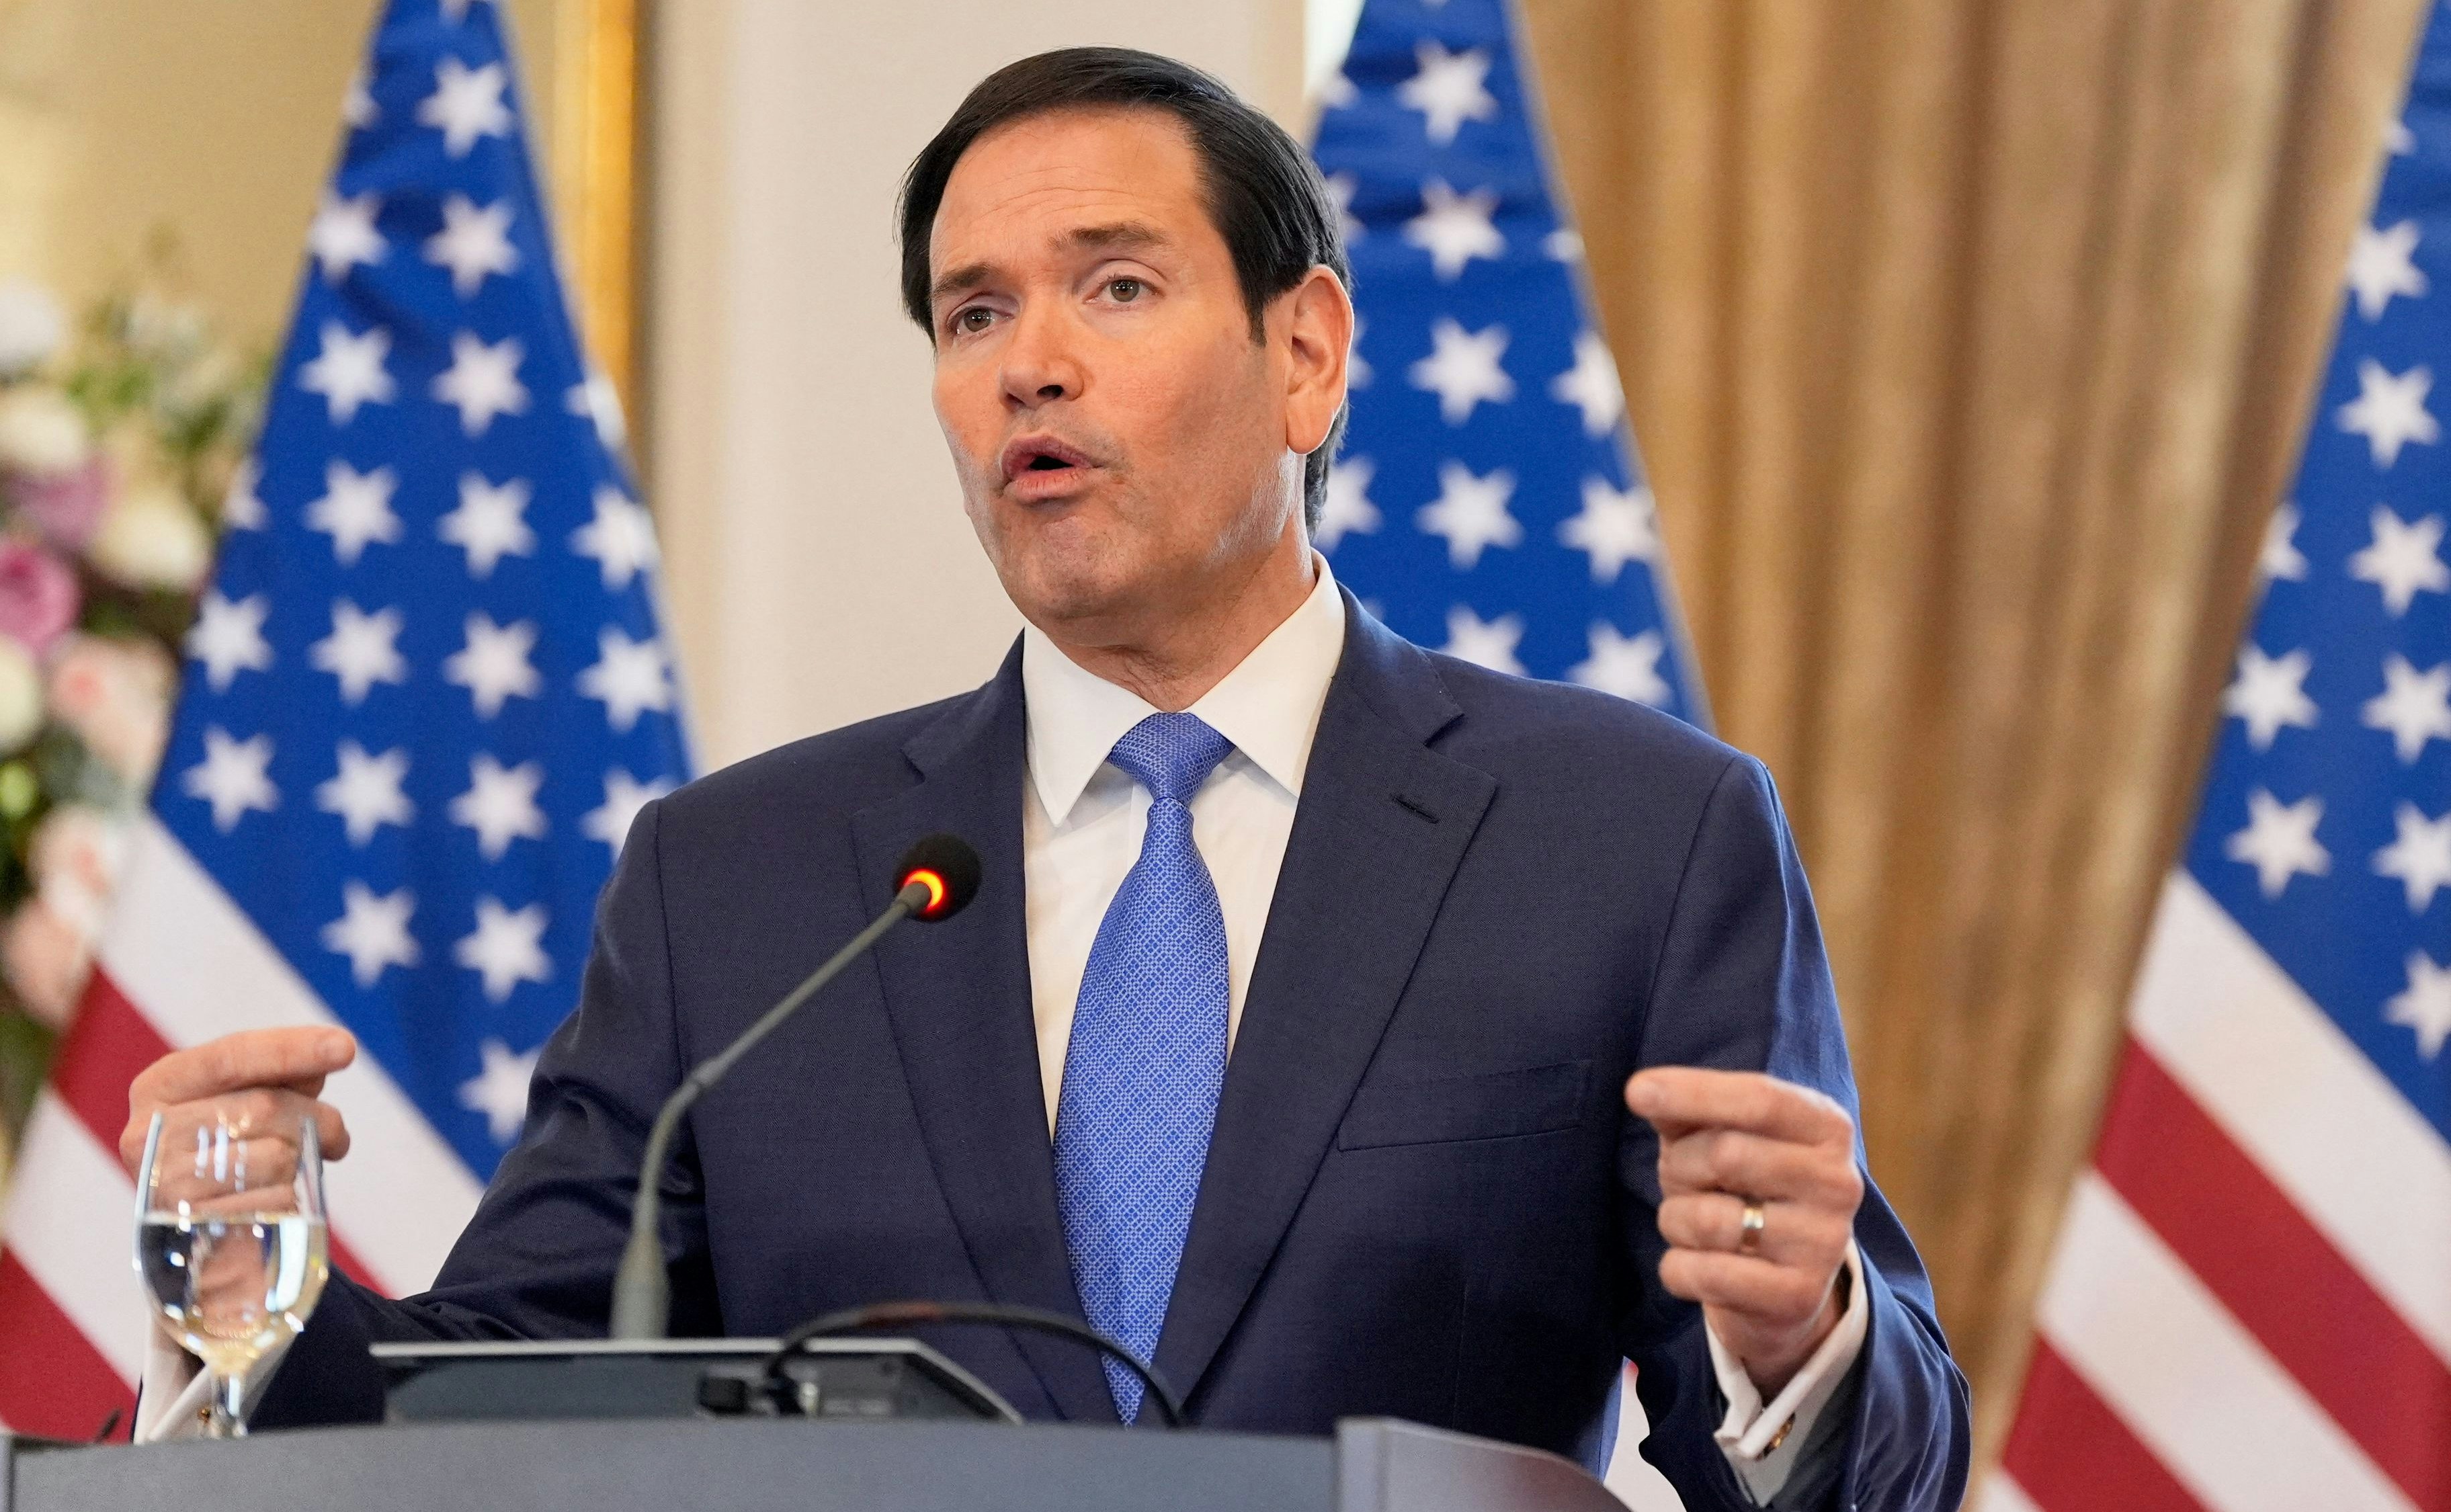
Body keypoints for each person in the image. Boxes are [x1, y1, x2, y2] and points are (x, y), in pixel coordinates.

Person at [124, 48, 1969, 1510]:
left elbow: (1868, 1478)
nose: (1033, 368)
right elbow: (505, 1402)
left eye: (1115, 285)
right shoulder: (746, 881)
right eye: (975, 313)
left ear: (1306, 354)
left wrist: (1801, 1333)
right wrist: (247, 1299)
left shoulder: (1626, 838)